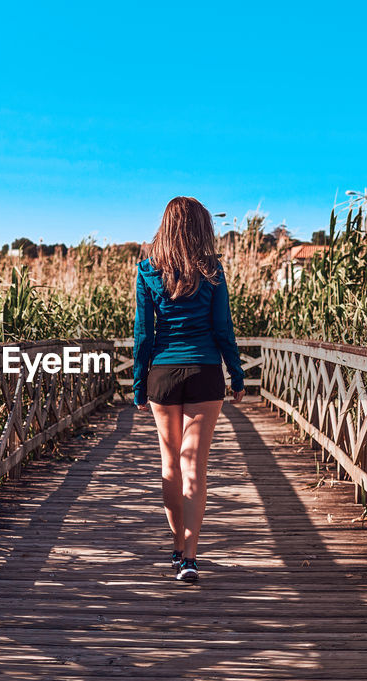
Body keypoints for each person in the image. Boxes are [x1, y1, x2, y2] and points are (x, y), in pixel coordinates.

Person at [131, 196, 246, 583]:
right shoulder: (212, 270)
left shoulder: (147, 270)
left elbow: (143, 335)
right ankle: (191, 558)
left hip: (162, 373)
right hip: (204, 370)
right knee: (194, 464)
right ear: (202, 227)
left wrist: (138, 386)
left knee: (170, 464)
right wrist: (237, 374)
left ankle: (177, 547)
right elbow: (223, 328)